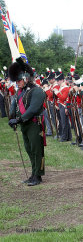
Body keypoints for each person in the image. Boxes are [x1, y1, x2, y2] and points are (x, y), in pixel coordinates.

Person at [8, 58, 46, 186]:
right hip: (25, 125)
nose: (17, 83)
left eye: (18, 80)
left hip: (34, 124)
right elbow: (15, 107)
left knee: (37, 150)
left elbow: (32, 109)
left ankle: (38, 175)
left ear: (26, 78)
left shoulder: (37, 91)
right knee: (29, 150)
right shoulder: (20, 92)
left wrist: (18, 119)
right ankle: (33, 173)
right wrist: (12, 118)